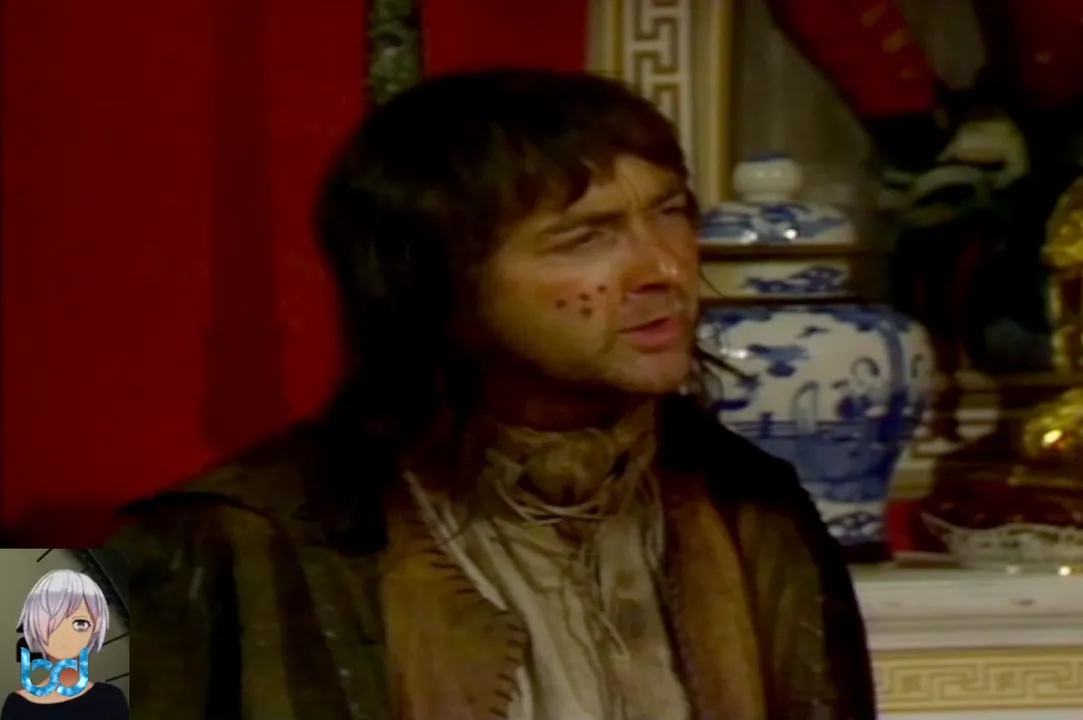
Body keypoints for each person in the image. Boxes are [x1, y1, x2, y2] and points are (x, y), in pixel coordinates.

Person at [107, 70, 877, 720]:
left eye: (669, 213)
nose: (665, 270)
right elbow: (50, 683)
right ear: (440, 280)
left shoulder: (755, 506)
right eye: (586, 236)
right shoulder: (204, 540)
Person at [3, 570, 129, 720]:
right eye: (53, 622)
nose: (64, 634)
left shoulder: (110, 700)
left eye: (80, 623)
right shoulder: (16, 706)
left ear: (95, 628)